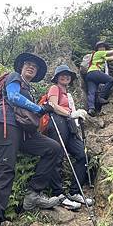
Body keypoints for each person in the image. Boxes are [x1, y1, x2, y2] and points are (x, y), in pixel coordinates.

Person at [0, 53, 63, 226]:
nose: (30, 67)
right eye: (27, 64)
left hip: (23, 131)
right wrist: (40, 109)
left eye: (34, 66)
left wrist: (42, 108)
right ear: (21, 67)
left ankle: (33, 195)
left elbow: (27, 109)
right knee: (5, 170)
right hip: (6, 124)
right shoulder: (13, 77)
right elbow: (14, 97)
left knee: (52, 148)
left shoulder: (30, 88)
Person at [46, 65, 95, 207]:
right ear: (56, 77)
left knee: (82, 155)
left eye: (68, 75)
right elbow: (53, 105)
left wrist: (77, 116)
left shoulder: (68, 94)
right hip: (57, 122)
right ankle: (58, 194)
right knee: (57, 157)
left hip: (69, 125)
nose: (65, 76)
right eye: (62, 74)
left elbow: (69, 110)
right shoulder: (54, 88)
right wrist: (70, 114)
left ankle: (75, 191)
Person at [85, 41, 113, 116]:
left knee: (92, 92)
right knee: (111, 80)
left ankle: (91, 109)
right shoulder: (98, 53)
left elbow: (111, 58)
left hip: (89, 74)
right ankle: (101, 97)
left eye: (103, 47)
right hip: (95, 72)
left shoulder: (102, 57)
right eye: (100, 47)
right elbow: (112, 52)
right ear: (97, 49)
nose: (102, 48)